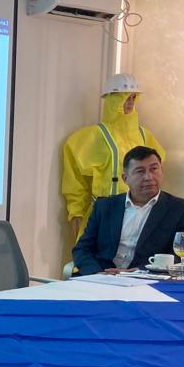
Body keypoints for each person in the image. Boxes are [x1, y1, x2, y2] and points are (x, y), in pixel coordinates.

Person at [61, 73, 167, 242]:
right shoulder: (93, 136)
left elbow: (156, 173)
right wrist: (76, 211)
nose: (130, 102)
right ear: (111, 99)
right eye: (124, 97)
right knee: (96, 256)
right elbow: (75, 180)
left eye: (133, 97)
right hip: (104, 215)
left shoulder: (145, 136)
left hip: (141, 213)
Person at [73, 146, 184, 276]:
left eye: (154, 169)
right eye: (140, 171)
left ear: (162, 171)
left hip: (145, 278)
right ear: (125, 178)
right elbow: (82, 249)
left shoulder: (181, 209)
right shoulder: (104, 206)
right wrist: (97, 273)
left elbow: (179, 256)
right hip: (100, 277)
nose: (148, 177)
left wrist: (139, 271)